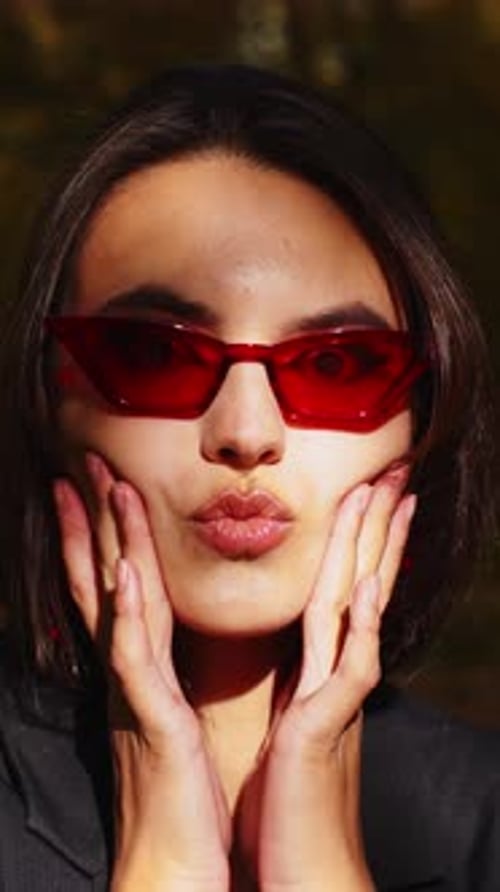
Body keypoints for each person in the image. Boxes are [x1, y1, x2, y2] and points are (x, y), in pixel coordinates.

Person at [0, 63, 498, 892]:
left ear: (423, 422)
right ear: (47, 401)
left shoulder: (480, 827)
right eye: (153, 355)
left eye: (338, 363)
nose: (245, 433)